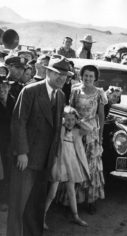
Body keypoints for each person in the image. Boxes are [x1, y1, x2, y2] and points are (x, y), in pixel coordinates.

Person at [6, 55, 72, 236]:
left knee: (36, 206)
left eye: (65, 75)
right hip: (26, 160)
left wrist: (55, 157)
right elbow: (18, 122)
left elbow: (57, 127)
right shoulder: (30, 91)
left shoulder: (60, 95)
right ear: (48, 72)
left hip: (45, 161)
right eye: (58, 74)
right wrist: (21, 153)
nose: (62, 78)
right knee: (19, 205)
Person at [70, 64, 107, 214]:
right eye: (86, 75)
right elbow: (70, 110)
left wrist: (101, 134)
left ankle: (90, 200)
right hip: (77, 131)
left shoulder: (99, 93)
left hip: (92, 132)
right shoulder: (75, 90)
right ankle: (73, 200)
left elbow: (101, 116)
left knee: (91, 166)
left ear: (95, 78)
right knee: (75, 163)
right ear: (81, 76)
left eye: (91, 76)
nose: (88, 78)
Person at [44, 106, 90, 229]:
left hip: (71, 162)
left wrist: (78, 120)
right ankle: (41, 216)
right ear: (63, 119)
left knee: (71, 190)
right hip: (59, 162)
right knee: (52, 193)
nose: (70, 122)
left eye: (72, 120)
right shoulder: (61, 130)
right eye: (67, 119)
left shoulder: (76, 131)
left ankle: (75, 216)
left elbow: (89, 129)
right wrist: (63, 122)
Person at [0, 76, 15, 211]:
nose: (2, 89)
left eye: (5, 86)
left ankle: (5, 200)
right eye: (0, 86)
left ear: (9, 87)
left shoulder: (13, 101)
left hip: (10, 143)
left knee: (8, 170)